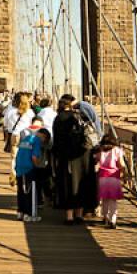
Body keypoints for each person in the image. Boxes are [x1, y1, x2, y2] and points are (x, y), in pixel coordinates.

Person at [52, 94, 92, 225]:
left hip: (65, 156)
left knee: (67, 184)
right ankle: (79, 215)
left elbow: (57, 140)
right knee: (81, 183)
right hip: (82, 155)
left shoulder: (58, 119)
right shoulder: (79, 116)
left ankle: (69, 217)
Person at [14, 127, 50, 222]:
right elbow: (34, 157)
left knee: (20, 191)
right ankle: (28, 214)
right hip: (28, 168)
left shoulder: (27, 138)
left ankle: (20, 212)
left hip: (19, 167)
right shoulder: (36, 141)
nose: (43, 142)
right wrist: (38, 165)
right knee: (29, 192)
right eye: (45, 140)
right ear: (43, 136)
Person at [95, 133, 125, 228]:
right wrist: (123, 172)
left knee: (104, 199)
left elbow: (96, 160)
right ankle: (113, 220)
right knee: (113, 200)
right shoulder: (117, 150)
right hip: (114, 176)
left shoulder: (100, 150)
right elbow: (121, 163)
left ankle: (105, 217)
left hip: (103, 175)